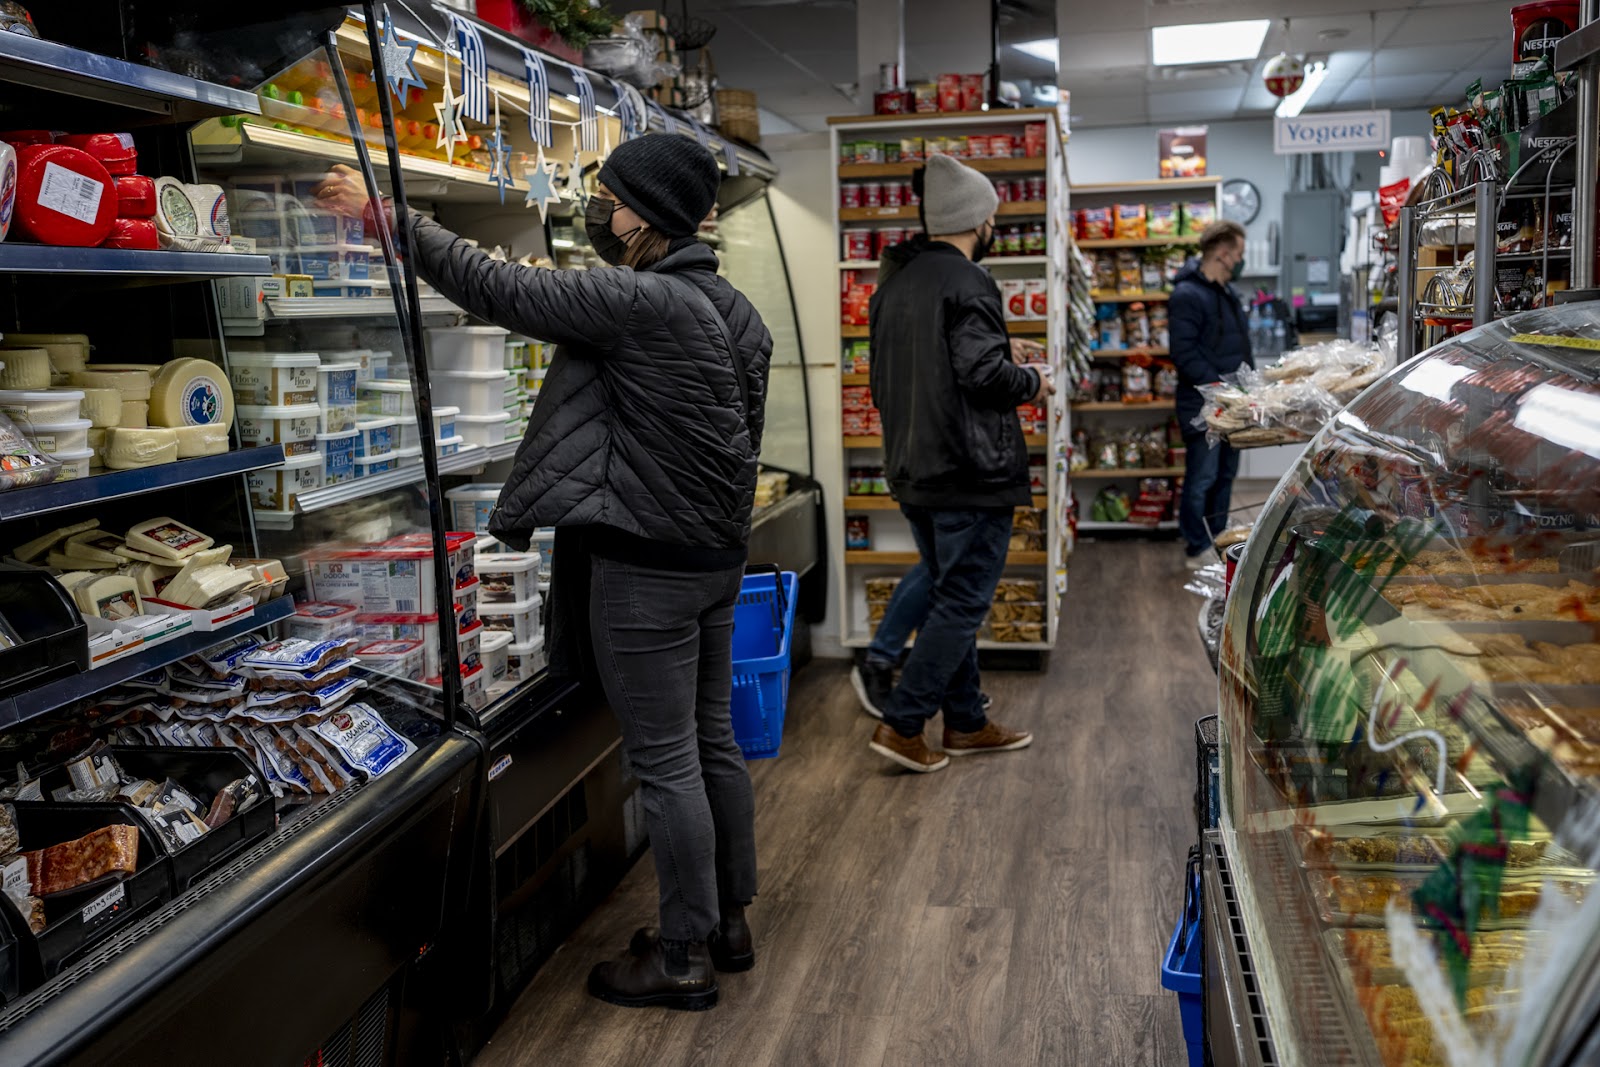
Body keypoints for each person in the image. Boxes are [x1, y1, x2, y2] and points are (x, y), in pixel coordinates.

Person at [315, 136, 771, 1013]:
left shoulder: (637, 301)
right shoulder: (737, 310)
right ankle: (727, 923)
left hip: (645, 570)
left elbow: (503, 288)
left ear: (646, 214)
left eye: (608, 194)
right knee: (712, 745)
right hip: (715, 558)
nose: (599, 208)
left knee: (667, 760)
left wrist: (390, 219)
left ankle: (681, 957)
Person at [863, 153, 1050, 773]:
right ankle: (904, 724)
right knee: (964, 602)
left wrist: (1001, 346)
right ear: (980, 219)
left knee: (948, 595)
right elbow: (982, 374)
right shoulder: (971, 281)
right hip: (968, 471)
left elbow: (916, 369)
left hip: (913, 466)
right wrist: (1031, 381)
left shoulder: (897, 281)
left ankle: (966, 723)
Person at [1169, 219, 1252, 569]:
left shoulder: (1227, 293)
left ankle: (1216, 542)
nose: (1240, 261)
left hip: (1231, 405)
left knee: (1224, 477)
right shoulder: (1187, 295)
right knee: (1202, 477)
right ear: (1222, 252)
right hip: (1203, 406)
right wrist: (1220, 389)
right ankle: (1195, 546)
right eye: (1238, 254)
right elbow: (1184, 352)